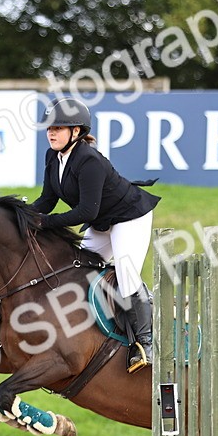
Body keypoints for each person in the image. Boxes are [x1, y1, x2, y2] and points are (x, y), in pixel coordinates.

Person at [30, 98, 160, 373]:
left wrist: (46, 223)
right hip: (103, 221)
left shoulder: (89, 160)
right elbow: (46, 200)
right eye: (49, 128)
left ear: (75, 132)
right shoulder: (53, 156)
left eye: (58, 128)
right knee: (79, 268)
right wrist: (23, 216)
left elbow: (86, 211)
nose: (51, 133)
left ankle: (146, 344)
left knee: (125, 273)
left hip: (129, 218)